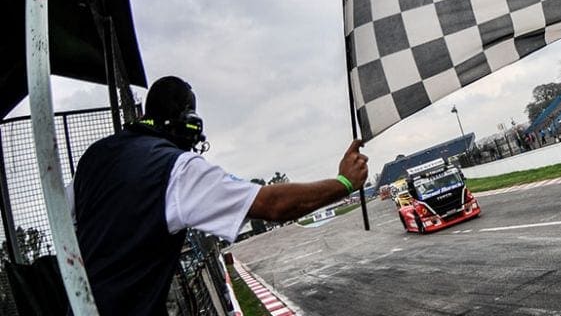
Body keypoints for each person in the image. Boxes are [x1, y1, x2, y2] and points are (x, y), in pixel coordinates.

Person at [71, 76, 369, 316]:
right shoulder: (175, 167)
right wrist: (343, 182)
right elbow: (272, 204)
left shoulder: (93, 158)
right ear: (189, 122)